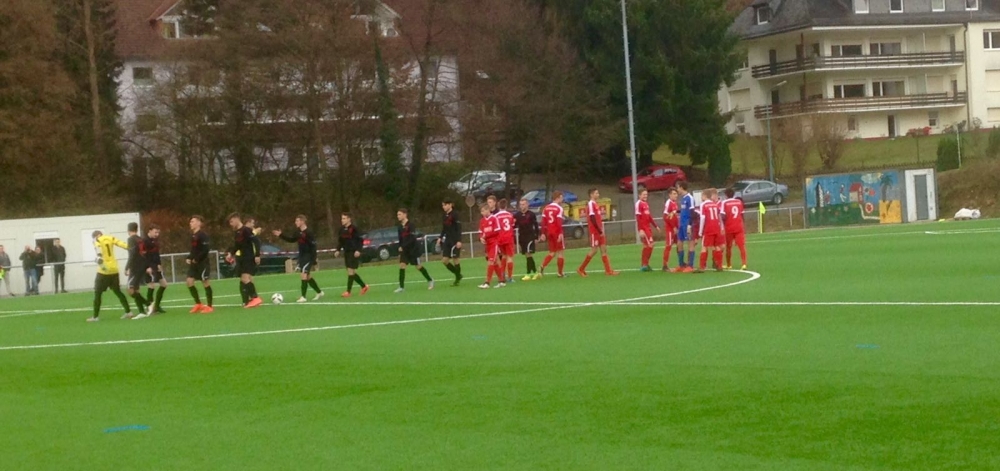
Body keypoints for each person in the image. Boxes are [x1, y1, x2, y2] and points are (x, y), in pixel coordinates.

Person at [273, 214, 324, 302]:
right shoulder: (297, 232)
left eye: (297, 221)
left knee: (303, 275)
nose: (295, 222)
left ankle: (303, 297)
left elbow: (313, 246)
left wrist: (314, 258)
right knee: (307, 276)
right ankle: (319, 292)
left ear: (302, 221)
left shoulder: (309, 233)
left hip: (309, 256)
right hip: (302, 256)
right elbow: (291, 240)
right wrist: (281, 235)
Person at [88, 230, 135, 322]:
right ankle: (128, 312)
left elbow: (98, 253)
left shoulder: (97, 240)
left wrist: (100, 260)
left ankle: (95, 316)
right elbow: (123, 245)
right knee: (118, 291)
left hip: (104, 271)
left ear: (97, 235)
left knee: (97, 293)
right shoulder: (111, 238)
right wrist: (131, 248)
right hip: (114, 269)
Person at [577, 189, 619, 277]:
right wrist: (599, 231)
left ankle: (608, 271)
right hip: (595, 231)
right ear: (591, 195)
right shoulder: (590, 204)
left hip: (600, 231)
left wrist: (601, 230)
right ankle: (581, 269)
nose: (598, 194)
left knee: (604, 249)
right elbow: (592, 219)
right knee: (594, 250)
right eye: (596, 193)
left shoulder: (595, 204)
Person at [227, 213, 263, 308]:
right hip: (242, 258)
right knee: (244, 279)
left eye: (231, 221)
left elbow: (256, 241)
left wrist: (257, 255)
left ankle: (255, 298)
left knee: (245, 278)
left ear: (237, 219)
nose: (231, 224)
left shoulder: (246, 230)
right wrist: (231, 254)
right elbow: (237, 246)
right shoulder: (237, 232)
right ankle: (249, 300)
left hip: (248, 257)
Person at [395, 208, 434, 293]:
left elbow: (412, 238)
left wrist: (403, 246)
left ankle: (430, 280)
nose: (398, 216)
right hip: (404, 250)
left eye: (399, 214)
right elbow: (400, 239)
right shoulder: (399, 227)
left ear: (405, 214)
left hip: (413, 249)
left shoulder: (411, 225)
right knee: (402, 265)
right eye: (397, 215)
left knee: (418, 266)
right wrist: (400, 247)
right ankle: (401, 287)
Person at [135, 224, 168, 319]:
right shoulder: (144, 241)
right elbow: (142, 256)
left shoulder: (155, 241)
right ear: (149, 231)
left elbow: (156, 254)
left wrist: (159, 264)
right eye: (155, 232)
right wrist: (147, 267)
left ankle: (156, 306)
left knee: (164, 284)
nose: (157, 234)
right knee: (151, 285)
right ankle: (150, 307)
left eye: (158, 232)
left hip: (155, 266)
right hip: (149, 266)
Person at [334, 212, 368, 297]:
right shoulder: (341, 230)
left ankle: (348, 292)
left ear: (349, 219)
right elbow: (340, 241)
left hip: (353, 252)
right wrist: (338, 250)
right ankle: (364, 286)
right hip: (346, 252)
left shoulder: (354, 229)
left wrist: (358, 250)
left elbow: (360, 240)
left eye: (344, 218)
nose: (342, 220)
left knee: (350, 271)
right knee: (351, 272)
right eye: (342, 218)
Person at [185, 215, 214, 314]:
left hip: (202, 263)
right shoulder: (193, 236)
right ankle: (198, 303)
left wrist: (197, 259)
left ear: (198, 223)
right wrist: (189, 257)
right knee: (189, 281)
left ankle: (209, 306)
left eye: (192, 221)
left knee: (205, 282)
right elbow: (193, 250)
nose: (190, 223)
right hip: (194, 264)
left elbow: (205, 250)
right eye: (190, 222)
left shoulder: (203, 235)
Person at [696, 189, 725, 273]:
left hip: (708, 228)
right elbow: (719, 216)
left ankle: (702, 267)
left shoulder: (703, 204)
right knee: (717, 246)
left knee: (704, 246)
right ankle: (719, 266)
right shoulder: (714, 204)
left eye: (702, 195)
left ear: (705, 196)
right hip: (716, 227)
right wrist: (721, 227)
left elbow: (702, 218)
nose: (701, 197)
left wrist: (700, 231)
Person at [538, 191, 566, 277]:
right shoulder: (559, 208)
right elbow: (558, 222)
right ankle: (560, 273)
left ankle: (542, 266)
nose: (562, 199)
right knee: (560, 253)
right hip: (557, 232)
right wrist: (560, 233)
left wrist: (542, 233)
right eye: (561, 197)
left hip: (549, 232)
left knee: (552, 252)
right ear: (558, 198)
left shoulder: (546, 208)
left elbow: (543, 222)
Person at [437, 200, 463, 286]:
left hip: (455, 240)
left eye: (445, 205)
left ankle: (457, 280)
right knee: (444, 260)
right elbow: (444, 228)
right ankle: (458, 275)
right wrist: (440, 237)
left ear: (450, 205)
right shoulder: (444, 215)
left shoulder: (455, 214)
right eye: (442, 205)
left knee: (455, 259)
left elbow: (459, 228)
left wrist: (459, 240)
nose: (443, 207)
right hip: (447, 240)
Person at [124, 222, 149, 314]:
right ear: (137, 229)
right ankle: (142, 312)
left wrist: (127, 267)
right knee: (136, 289)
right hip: (142, 266)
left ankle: (149, 304)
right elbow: (145, 253)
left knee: (130, 290)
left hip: (135, 267)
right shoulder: (140, 239)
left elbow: (132, 254)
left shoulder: (131, 239)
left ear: (128, 230)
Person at [514, 198, 540, 281]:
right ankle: (535, 272)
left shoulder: (531, 214)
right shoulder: (517, 215)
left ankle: (529, 273)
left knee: (529, 254)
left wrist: (536, 236)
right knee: (527, 255)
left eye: (524, 204)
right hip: (522, 237)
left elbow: (536, 226)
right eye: (521, 205)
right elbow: (514, 225)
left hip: (530, 237)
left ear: (527, 205)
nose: (522, 206)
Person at [673, 181, 697, 273]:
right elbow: (684, 210)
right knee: (679, 242)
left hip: (687, 224)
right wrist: (676, 211)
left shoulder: (690, 198)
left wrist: (690, 225)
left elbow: (692, 212)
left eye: (678, 187)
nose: (677, 190)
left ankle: (690, 265)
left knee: (690, 243)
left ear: (681, 187)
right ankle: (681, 265)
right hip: (681, 224)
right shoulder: (683, 198)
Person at [721, 188, 748, 270]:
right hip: (739, 226)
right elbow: (742, 215)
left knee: (728, 246)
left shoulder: (724, 202)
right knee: (741, 246)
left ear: (726, 195)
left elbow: (723, 216)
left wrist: (723, 226)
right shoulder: (739, 202)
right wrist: (742, 224)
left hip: (729, 227)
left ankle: (729, 264)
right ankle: (744, 264)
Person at [477, 204, 502, 289]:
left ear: (488, 210)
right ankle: (501, 281)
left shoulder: (494, 218)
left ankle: (487, 283)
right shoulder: (482, 221)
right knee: (494, 262)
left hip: (494, 243)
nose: (482, 213)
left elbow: (497, 231)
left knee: (490, 261)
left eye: (483, 211)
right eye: (481, 211)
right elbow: (480, 232)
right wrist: (481, 238)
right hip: (487, 244)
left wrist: (486, 235)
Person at [635, 189, 658, 272]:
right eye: (644, 194)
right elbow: (638, 218)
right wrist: (640, 229)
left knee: (646, 246)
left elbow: (649, 216)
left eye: (646, 194)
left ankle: (644, 264)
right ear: (639, 195)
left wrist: (655, 226)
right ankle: (645, 264)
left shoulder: (645, 204)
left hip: (648, 228)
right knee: (650, 245)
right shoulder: (638, 203)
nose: (645, 196)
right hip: (644, 228)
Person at [494, 198, 516, 283]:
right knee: (509, 257)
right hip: (509, 238)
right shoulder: (510, 215)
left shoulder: (496, 216)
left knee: (503, 256)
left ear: (499, 206)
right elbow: (512, 225)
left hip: (500, 238)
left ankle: (502, 274)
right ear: (506, 206)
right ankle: (510, 277)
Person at [662, 187, 680, 271]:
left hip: (676, 228)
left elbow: (674, 216)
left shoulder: (675, 203)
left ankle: (681, 263)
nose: (676, 195)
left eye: (676, 194)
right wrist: (673, 227)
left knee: (679, 244)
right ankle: (665, 265)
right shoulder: (668, 203)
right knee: (668, 245)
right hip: (670, 229)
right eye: (674, 194)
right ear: (669, 195)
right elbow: (665, 216)